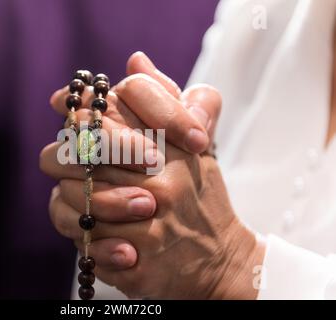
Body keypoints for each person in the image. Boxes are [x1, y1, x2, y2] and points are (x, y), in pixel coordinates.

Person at [40, 0, 336, 299]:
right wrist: (126, 185)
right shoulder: (257, 12)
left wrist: (233, 267)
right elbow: (164, 238)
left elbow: (209, 257)